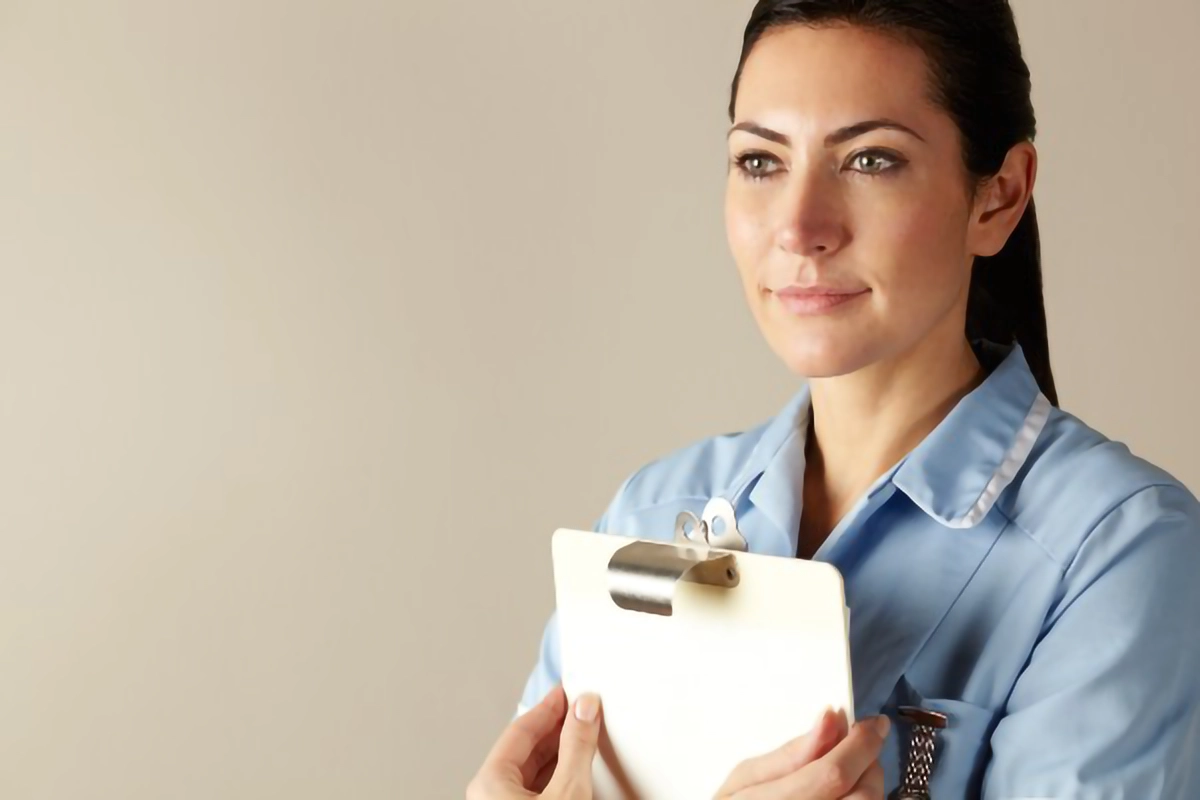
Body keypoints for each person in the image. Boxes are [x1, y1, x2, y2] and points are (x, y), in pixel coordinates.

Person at [470, 0, 1200, 797]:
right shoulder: (646, 516)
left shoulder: (1118, 554)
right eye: (760, 161)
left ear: (998, 197)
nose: (799, 226)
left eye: (870, 160)